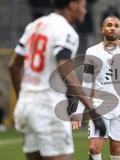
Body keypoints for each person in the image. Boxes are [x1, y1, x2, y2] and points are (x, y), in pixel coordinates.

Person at [8, 0, 106, 160]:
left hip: (25, 107)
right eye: (83, 6)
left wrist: (22, 98)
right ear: (72, 5)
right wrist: (92, 109)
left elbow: (13, 67)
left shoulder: (35, 25)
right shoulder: (66, 31)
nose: (85, 11)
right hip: (48, 108)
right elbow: (63, 66)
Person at [72, 15, 120, 160]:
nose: (112, 28)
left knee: (117, 152)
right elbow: (87, 83)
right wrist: (78, 112)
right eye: (109, 25)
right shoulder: (92, 52)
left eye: (116, 25)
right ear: (102, 29)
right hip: (99, 105)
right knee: (94, 148)